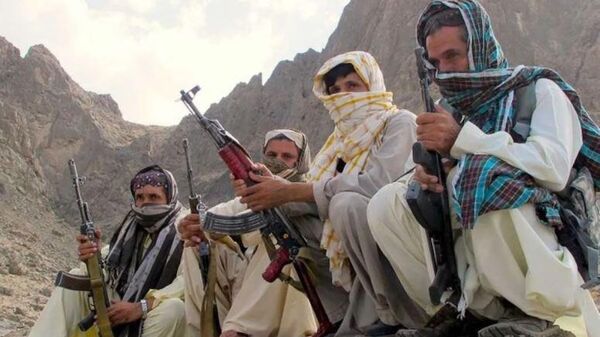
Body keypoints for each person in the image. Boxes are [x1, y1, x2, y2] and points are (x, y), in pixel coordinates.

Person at [367, 1, 600, 336]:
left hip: (547, 241)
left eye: (452, 56)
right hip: (472, 255)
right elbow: (418, 175)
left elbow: (553, 167)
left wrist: (464, 141)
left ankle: (535, 314)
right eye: (435, 62)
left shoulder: (537, 90)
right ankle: (463, 310)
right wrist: (425, 175)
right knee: (388, 202)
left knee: (480, 174)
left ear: (478, 47)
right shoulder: (448, 109)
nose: (444, 71)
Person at [234, 51, 428, 336]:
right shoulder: (338, 144)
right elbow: (319, 196)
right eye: (335, 90)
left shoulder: (399, 123)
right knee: (288, 223)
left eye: (352, 86)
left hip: (401, 242)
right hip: (353, 245)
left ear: (372, 84)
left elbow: (379, 184)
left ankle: (396, 314)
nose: (342, 96)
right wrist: (267, 189)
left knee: (346, 205)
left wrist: (294, 190)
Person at [178, 129, 343, 337]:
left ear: (299, 161)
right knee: (194, 246)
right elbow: (220, 215)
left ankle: (241, 330)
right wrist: (188, 225)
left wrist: (280, 194)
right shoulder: (253, 191)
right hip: (248, 278)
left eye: (287, 156)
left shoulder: (308, 188)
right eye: (272, 155)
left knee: (283, 240)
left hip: (292, 277)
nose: (278, 161)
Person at [29, 165, 188, 337]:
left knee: (175, 309)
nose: (145, 203)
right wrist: (93, 258)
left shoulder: (186, 230)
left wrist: (140, 307)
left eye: (154, 197)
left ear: (170, 198)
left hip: (152, 315)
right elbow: (108, 271)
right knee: (77, 277)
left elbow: (187, 284)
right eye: (140, 197)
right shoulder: (130, 229)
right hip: (118, 310)